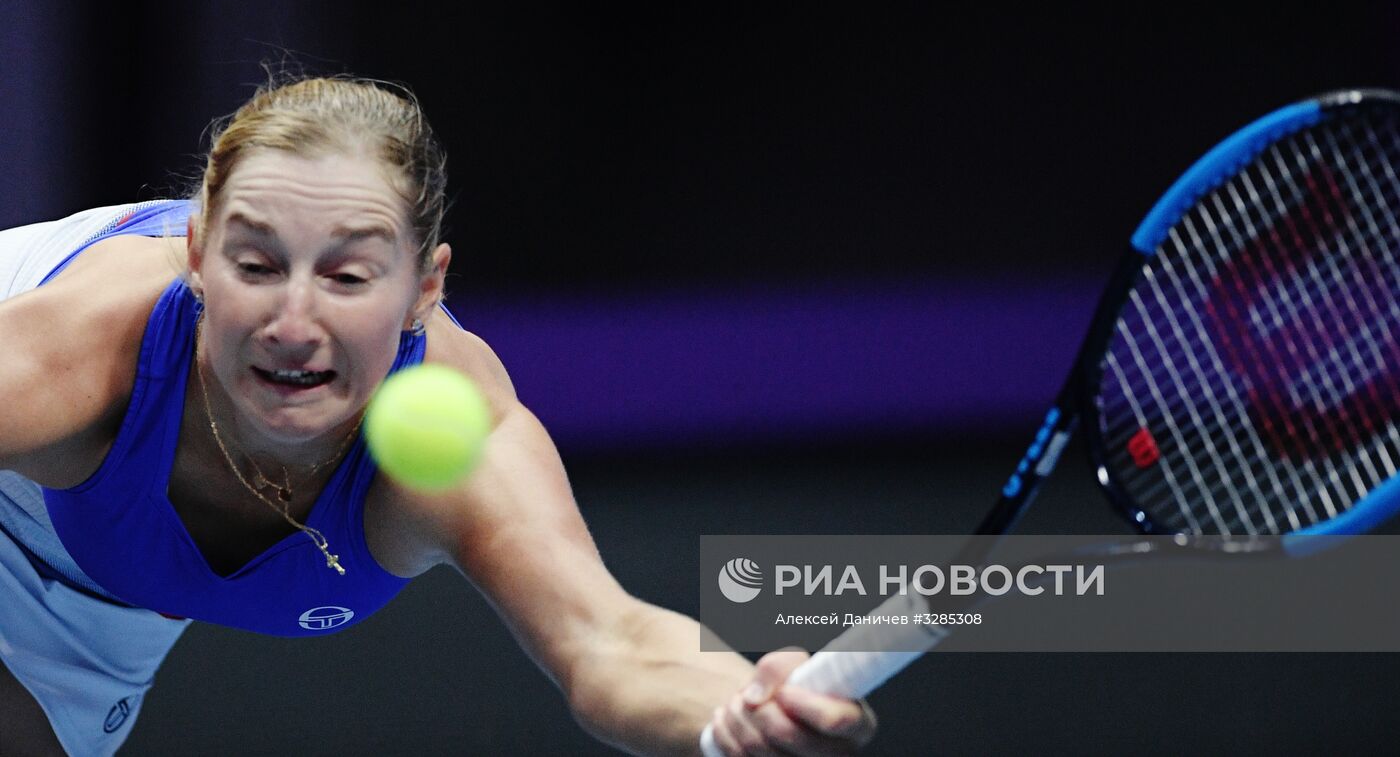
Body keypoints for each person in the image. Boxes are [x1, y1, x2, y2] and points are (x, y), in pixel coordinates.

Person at [0, 77, 877, 756]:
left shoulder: (458, 445)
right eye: (257, 263)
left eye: (348, 277)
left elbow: (611, 641)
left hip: (96, 608)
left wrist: (738, 709)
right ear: (197, 255)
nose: (295, 322)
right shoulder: (82, 349)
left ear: (425, 287)